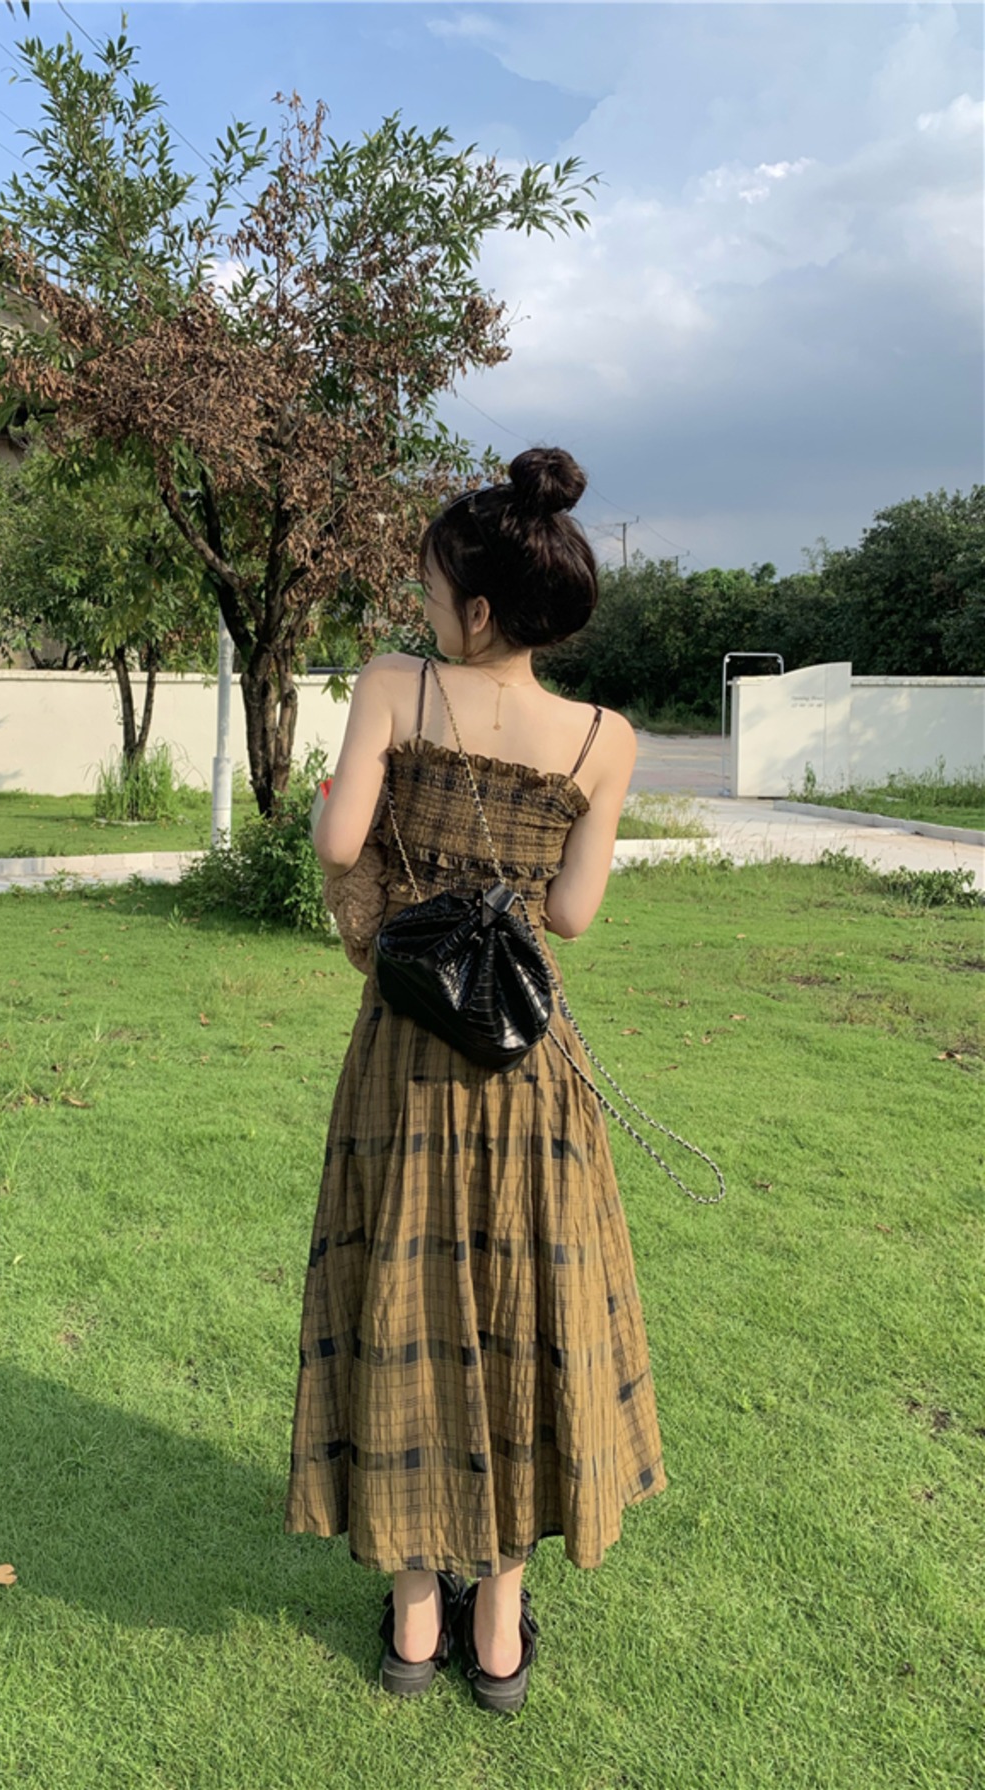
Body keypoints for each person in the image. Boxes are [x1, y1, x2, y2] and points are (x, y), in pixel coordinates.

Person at [284, 447, 665, 1715]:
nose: (422, 602)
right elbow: (574, 913)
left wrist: (361, 816)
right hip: (524, 1066)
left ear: (479, 607)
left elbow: (340, 839)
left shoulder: (393, 684)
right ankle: (495, 1634)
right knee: (518, 1311)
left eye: (433, 586)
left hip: (405, 1051)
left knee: (401, 1294)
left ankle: (411, 1620)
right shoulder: (605, 738)